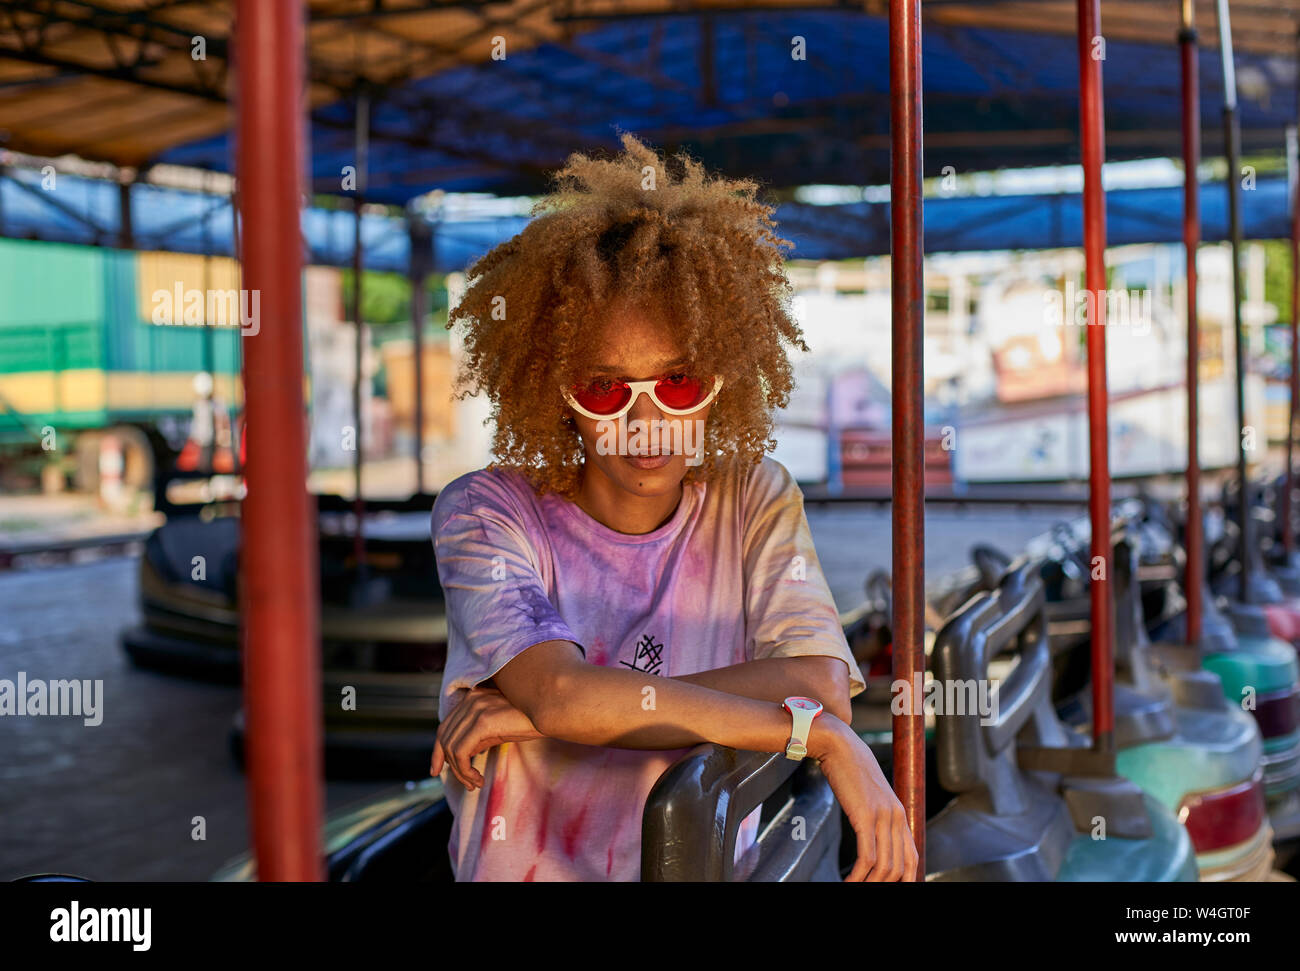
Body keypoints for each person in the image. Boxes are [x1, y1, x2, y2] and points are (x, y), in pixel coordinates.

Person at [429, 134, 918, 882]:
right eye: (604, 388)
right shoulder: (485, 513)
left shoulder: (753, 494)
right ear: (551, 388)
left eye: (678, 382)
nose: (646, 419)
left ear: (727, 373)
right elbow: (563, 690)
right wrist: (809, 739)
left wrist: (557, 712)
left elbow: (820, 686)